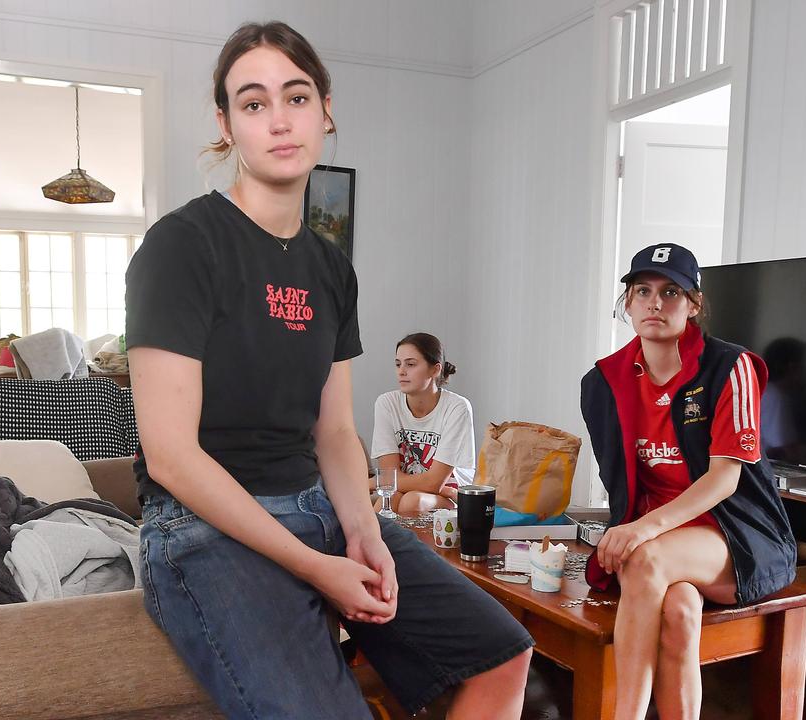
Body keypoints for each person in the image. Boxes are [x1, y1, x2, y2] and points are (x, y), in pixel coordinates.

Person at [125, 21, 532, 720]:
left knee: (502, 651)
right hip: (200, 526)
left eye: (297, 96)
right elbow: (170, 456)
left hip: (313, 503)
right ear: (226, 125)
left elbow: (337, 432)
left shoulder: (329, 267)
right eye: (253, 104)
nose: (279, 120)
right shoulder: (181, 246)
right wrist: (316, 568)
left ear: (326, 109)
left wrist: (365, 532)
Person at [580, 243, 796, 720]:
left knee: (646, 557)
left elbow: (725, 478)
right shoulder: (603, 382)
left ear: (694, 304)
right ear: (629, 304)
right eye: (643, 291)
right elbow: (620, 481)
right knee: (678, 613)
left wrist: (639, 530)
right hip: (666, 537)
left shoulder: (730, 367)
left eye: (671, 292)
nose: (655, 303)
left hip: (736, 533)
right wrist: (630, 527)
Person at [370, 332, 475, 514]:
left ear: (435, 370)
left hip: (449, 494)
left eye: (410, 364)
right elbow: (389, 478)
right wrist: (383, 482)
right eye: (398, 364)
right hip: (404, 490)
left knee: (413, 501)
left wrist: (373, 482)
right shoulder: (386, 403)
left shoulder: (457, 407)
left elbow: (434, 483)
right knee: (389, 500)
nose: (401, 371)